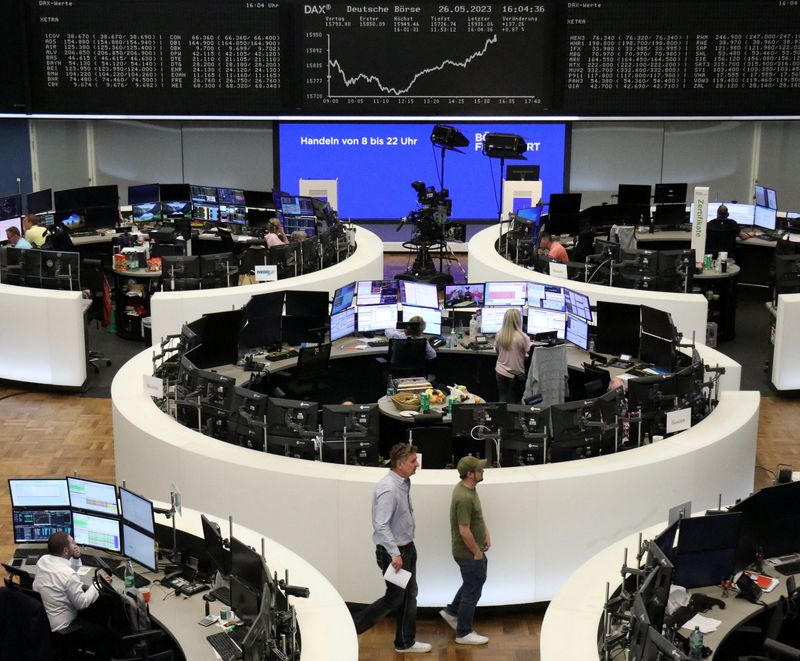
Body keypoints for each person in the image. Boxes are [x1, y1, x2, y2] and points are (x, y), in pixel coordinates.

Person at [352, 443, 431, 654]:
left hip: (406, 549)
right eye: (413, 461)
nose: (417, 465)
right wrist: (395, 554)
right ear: (399, 463)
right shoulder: (389, 488)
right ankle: (353, 628)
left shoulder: (403, 482)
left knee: (409, 594)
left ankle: (405, 642)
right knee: (395, 597)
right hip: (395, 554)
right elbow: (381, 524)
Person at [33, 532, 113, 659]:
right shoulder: (68, 575)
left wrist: (75, 558)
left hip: (46, 622)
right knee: (104, 630)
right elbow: (82, 604)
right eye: (73, 542)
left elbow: (67, 571)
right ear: (65, 550)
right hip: (64, 629)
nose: (76, 543)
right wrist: (99, 584)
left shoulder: (43, 561)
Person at [439, 456, 490, 646]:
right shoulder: (464, 497)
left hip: (472, 550)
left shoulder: (468, 489)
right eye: (479, 469)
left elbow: (476, 518)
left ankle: (452, 612)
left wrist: (486, 532)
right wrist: (477, 553)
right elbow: (464, 530)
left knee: (472, 583)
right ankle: (464, 632)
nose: (482, 471)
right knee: (472, 591)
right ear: (470, 474)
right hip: (468, 553)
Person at [494, 308, 531, 403]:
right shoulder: (523, 337)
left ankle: (501, 415)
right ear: (519, 321)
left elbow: (497, 351)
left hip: (500, 372)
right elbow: (529, 354)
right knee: (516, 402)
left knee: (502, 399)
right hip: (516, 375)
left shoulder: (499, 334)